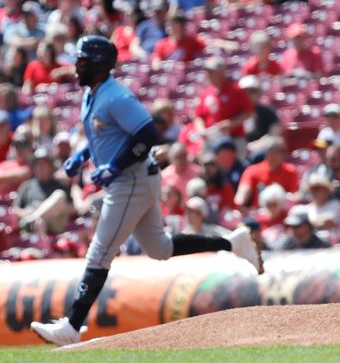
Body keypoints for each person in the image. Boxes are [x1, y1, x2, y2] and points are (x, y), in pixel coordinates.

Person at [29, 36, 261, 346]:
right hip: (135, 178)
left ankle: (72, 324)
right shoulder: (93, 93)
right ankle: (233, 243)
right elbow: (102, 134)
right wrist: (82, 156)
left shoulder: (116, 96)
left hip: (131, 180)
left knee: (100, 251)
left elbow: (147, 133)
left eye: (83, 61)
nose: (76, 66)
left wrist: (115, 166)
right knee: (160, 249)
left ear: (98, 65)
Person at [193, 56, 254, 153]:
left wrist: (231, 124)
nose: (209, 75)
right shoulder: (206, 92)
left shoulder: (236, 90)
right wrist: (201, 131)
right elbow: (198, 116)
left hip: (234, 138)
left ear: (222, 72)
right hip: (211, 137)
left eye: (212, 71)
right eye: (208, 72)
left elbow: (248, 112)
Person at [13, 149, 72, 234]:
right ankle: (40, 244)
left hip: (54, 221)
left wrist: (45, 206)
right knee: (39, 222)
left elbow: (72, 207)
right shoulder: (26, 185)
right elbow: (15, 210)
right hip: (33, 223)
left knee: (59, 195)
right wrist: (28, 210)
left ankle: (32, 219)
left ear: (51, 166)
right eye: (38, 164)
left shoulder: (59, 185)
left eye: (44, 164)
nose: (40, 167)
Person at [235, 137, 298, 207]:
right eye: (280, 151)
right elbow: (241, 197)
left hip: (282, 213)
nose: (284, 154)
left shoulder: (290, 171)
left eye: (284, 151)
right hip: (259, 213)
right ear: (269, 153)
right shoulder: (252, 171)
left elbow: (294, 197)